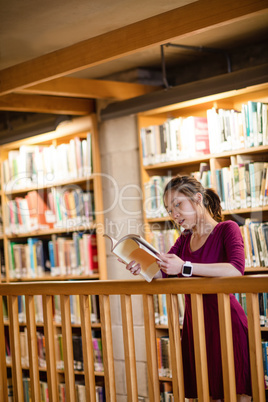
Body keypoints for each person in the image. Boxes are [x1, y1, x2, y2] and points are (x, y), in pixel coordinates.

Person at [123, 174, 252, 401]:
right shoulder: (184, 239)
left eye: (178, 205)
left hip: (225, 322)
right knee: (204, 392)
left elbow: (236, 269)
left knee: (236, 393)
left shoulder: (227, 229)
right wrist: (140, 266)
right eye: (169, 210)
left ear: (198, 199)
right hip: (195, 326)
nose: (174, 215)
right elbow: (162, 272)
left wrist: (185, 267)